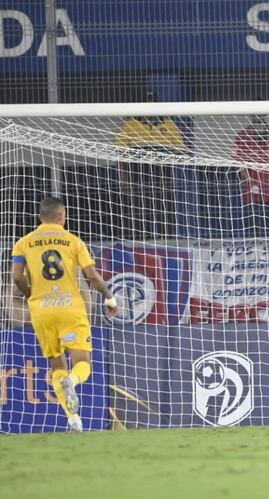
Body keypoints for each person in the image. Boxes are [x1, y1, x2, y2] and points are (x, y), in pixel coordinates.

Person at [11, 198, 118, 432]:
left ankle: (73, 420)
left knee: (56, 364)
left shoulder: (23, 243)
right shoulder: (73, 241)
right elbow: (92, 276)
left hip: (42, 311)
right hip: (71, 309)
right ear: (63, 215)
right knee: (82, 363)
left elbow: (17, 277)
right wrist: (109, 297)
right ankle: (74, 380)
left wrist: (32, 295)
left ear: (40, 217)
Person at [114, 90, 187, 239]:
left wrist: (167, 155)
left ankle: (168, 241)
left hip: (162, 174)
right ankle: (141, 242)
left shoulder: (168, 124)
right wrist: (124, 177)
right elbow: (119, 154)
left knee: (165, 211)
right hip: (138, 174)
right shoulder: (130, 125)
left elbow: (181, 151)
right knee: (140, 212)